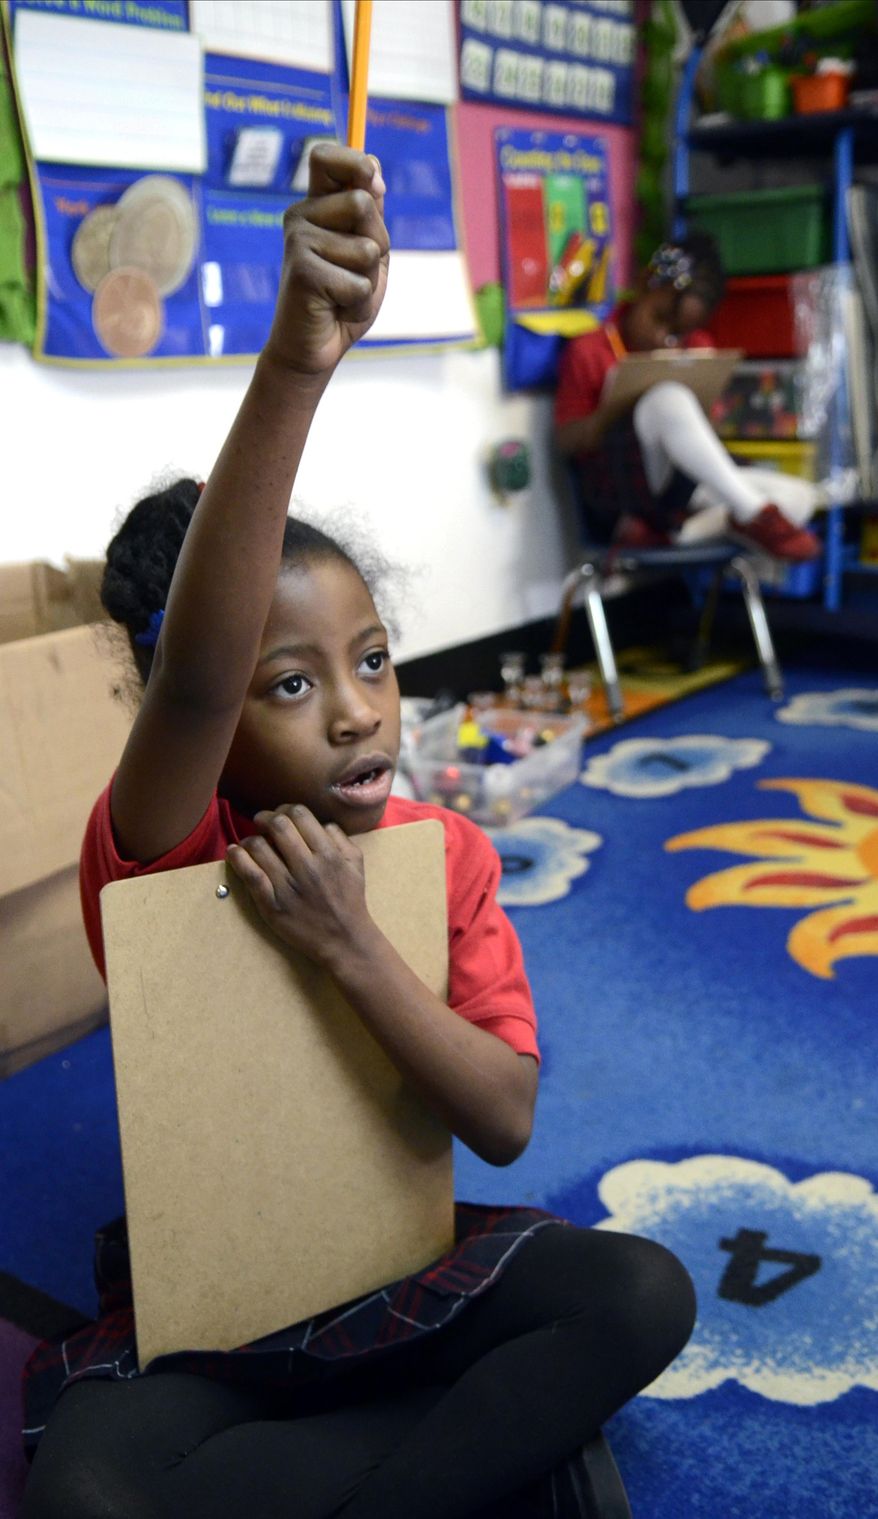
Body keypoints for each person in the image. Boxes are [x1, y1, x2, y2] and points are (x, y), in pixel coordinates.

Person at [21, 145, 696, 1519]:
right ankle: (478, 1462)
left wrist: (349, 943)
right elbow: (200, 673)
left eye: (374, 660)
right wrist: (296, 362)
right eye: (292, 681)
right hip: (220, 1310)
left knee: (638, 1291)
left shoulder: (439, 855)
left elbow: (503, 1117)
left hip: (399, 1268)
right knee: (86, 1487)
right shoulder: (156, 848)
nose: (352, 712)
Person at [554, 233, 821, 562]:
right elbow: (565, 440)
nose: (664, 339)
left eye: (678, 332)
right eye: (659, 318)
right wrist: (616, 408)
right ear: (643, 287)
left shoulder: (695, 347)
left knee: (801, 498)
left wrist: (701, 397)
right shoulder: (591, 349)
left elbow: (699, 439)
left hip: (679, 491)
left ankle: (683, 533)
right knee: (667, 398)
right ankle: (752, 514)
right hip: (622, 488)